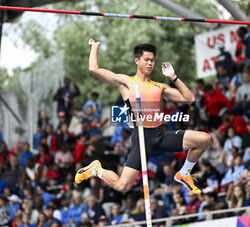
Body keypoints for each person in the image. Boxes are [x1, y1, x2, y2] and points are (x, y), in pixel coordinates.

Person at [75, 39, 211, 195]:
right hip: (142, 139)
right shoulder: (126, 82)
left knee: (204, 139)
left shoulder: (159, 86)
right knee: (122, 186)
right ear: (137, 60)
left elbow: (189, 98)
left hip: (159, 136)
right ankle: (97, 169)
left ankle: (184, 173)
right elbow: (94, 69)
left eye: (152, 60)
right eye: (146, 60)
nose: (150, 63)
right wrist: (95, 47)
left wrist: (173, 76)